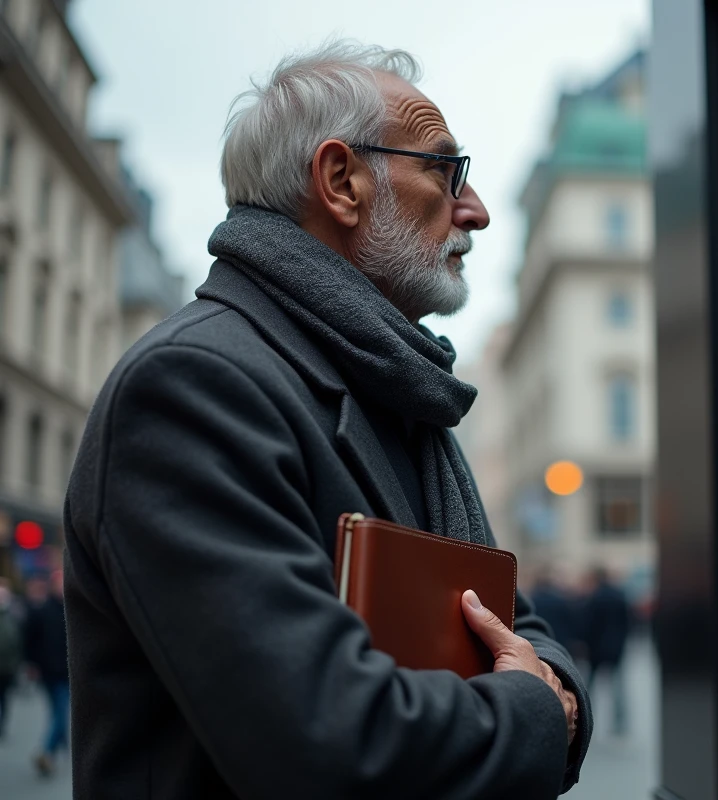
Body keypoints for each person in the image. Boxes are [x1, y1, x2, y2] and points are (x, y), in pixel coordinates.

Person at [63, 41, 590, 799]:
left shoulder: (403, 392)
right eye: (446, 171)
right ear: (342, 182)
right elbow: (330, 742)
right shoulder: (193, 385)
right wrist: (542, 707)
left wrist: (550, 684)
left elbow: (514, 623)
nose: (474, 210)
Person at [21, 571, 69, 775]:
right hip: (50, 672)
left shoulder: (70, 612)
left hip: (65, 672)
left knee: (59, 712)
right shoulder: (42, 611)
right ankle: (48, 750)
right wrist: (31, 665)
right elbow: (29, 640)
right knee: (59, 713)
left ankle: (56, 748)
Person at [582, 566, 632, 736]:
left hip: (597, 648)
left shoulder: (595, 597)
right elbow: (628, 622)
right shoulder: (619, 595)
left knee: (590, 686)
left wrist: (586, 644)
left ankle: (583, 717)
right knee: (618, 687)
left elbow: (589, 624)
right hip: (616, 647)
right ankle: (620, 723)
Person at [0, 577, 21, 740]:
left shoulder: (15, 613)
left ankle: (3, 724)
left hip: (8, 666)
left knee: (5, 698)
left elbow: (19, 641)